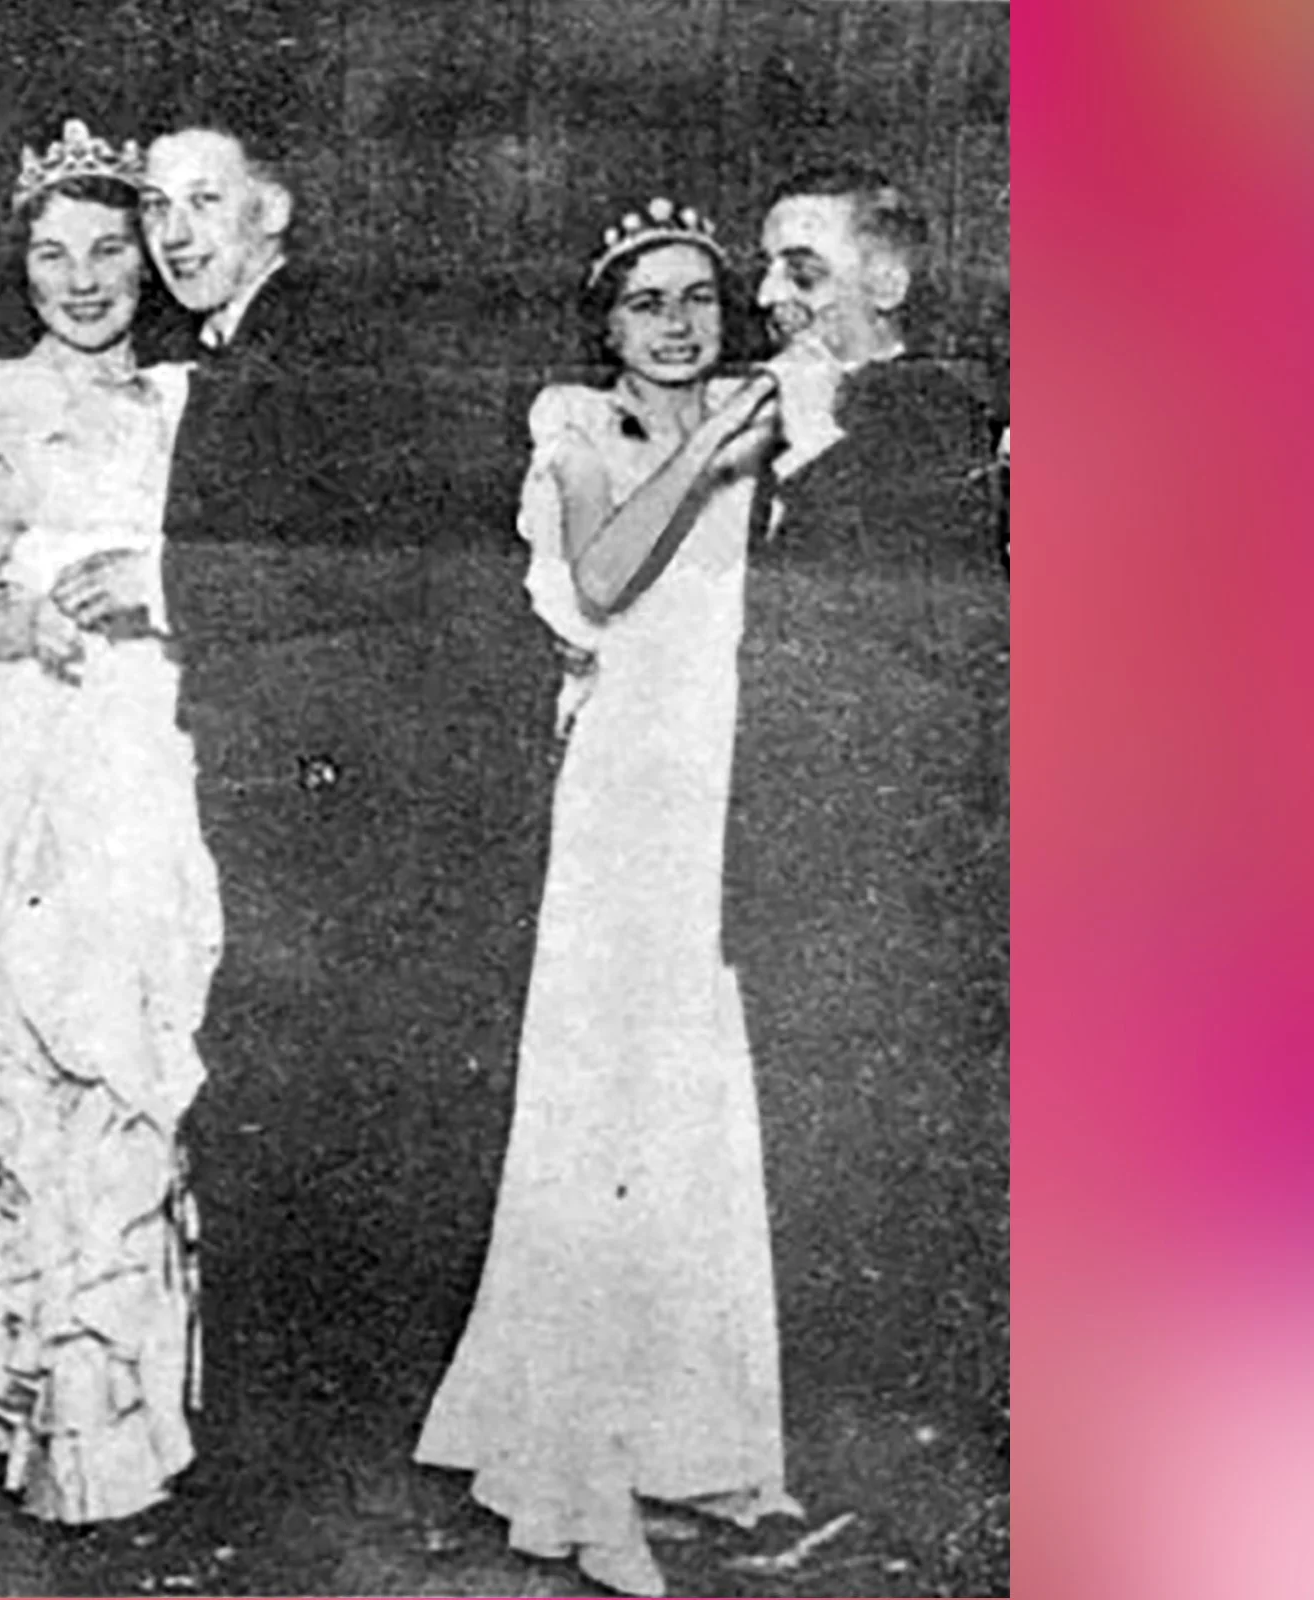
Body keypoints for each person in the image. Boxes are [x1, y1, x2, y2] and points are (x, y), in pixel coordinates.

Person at [414, 199, 800, 1598]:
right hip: (629, 798)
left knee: (694, 1113)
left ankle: (690, 1448)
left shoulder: (766, 424)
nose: (682, 324)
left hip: (725, 793)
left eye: (702, 297)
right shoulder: (579, 427)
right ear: (607, 324)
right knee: (608, 1118)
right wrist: (712, 446)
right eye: (650, 302)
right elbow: (601, 579)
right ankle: (576, 1482)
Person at [48, 118, 443, 1432]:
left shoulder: (320, 344)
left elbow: (395, 561)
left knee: (298, 1093)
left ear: (273, 213)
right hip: (266, 769)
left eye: (205, 203)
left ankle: (295, 1447)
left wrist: (167, 584)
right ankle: (294, 1430)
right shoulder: (232, 350)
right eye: (160, 206)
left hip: (333, 780)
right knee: (280, 1090)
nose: (175, 232)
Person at [0, 120, 220, 1527]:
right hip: (41, 757)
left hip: (155, 751)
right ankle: (62, 1428)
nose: (83, 280)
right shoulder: (2, 409)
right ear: (18, 265)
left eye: (108, 251)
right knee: (51, 1072)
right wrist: (25, 620)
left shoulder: (187, 394)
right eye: (52, 253)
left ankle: (141, 1417)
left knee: (141, 1066)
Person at [726, 166, 1008, 1432]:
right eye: (768, 269)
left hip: (890, 858)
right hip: (798, 846)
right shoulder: (799, 409)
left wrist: (824, 436)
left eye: (806, 269)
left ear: (889, 281)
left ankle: (895, 1441)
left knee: (885, 1145)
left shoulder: (928, 410)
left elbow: (922, 607)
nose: (773, 297)